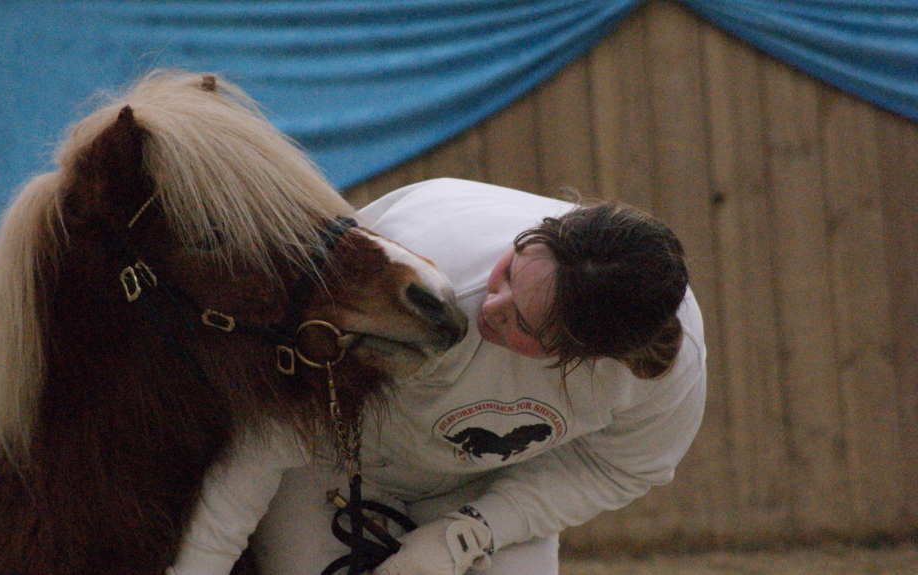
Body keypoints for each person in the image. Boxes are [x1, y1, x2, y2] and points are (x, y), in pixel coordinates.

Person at [170, 178, 707, 575]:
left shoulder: (658, 364)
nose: (491, 305)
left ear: (582, 358)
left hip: (491, 482)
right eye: (510, 269)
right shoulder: (422, 277)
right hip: (333, 460)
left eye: (521, 322)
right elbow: (267, 439)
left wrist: (469, 533)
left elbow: (619, 470)